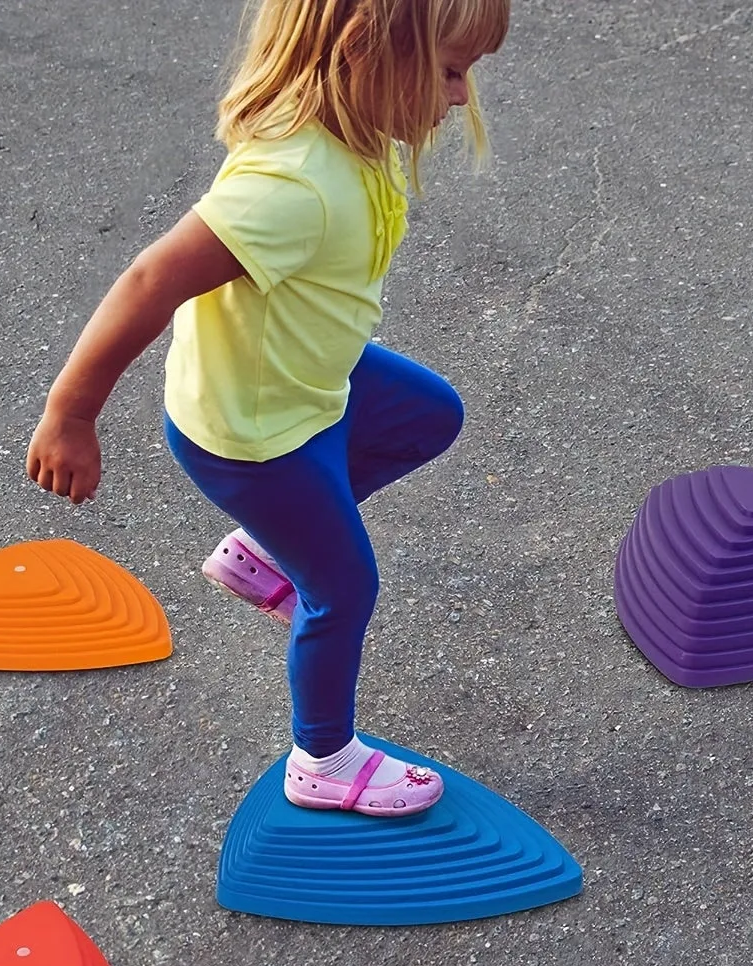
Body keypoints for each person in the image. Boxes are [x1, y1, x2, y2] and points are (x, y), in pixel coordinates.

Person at [26, 0, 509, 816]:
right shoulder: (293, 184)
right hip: (257, 435)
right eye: (452, 71)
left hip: (307, 382)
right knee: (345, 587)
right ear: (365, 54)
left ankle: (262, 549)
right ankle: (322, 761)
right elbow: (151, 280)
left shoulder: (345, 137)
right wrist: (71, 414)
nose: (462, 97)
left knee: (429, 413)